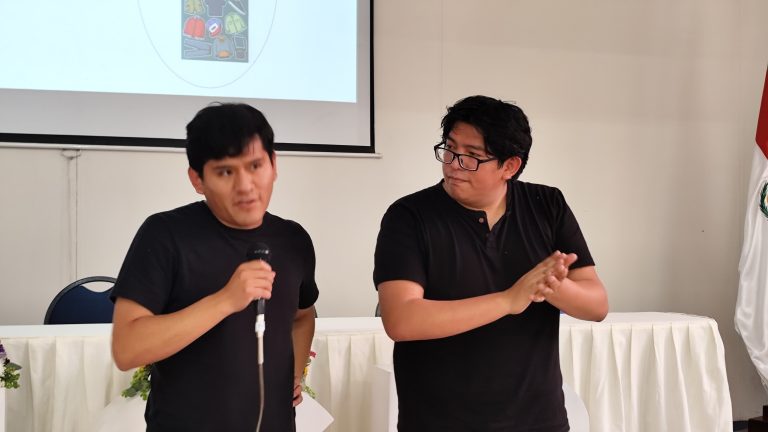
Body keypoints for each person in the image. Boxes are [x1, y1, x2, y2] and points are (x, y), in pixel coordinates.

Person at [373, 95, 608, 431]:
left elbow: (597, 305)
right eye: (449, 149)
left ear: (509, 166)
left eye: (472, 156)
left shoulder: (547, 205)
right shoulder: (409, 216)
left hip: (538, 420)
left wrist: (553, 286)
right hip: (439, 421)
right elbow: (402, 320)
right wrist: (508, 300)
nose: (453, 164)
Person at [111, 103, 318, 432]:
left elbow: (303, 315)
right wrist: (225, 300)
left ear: (274, 165)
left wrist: (295, 372)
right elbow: (127, 347)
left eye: (255, 166)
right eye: (225, 172)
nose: (245, 185)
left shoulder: (293, 240)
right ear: (197, 179)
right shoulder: (165, 235)